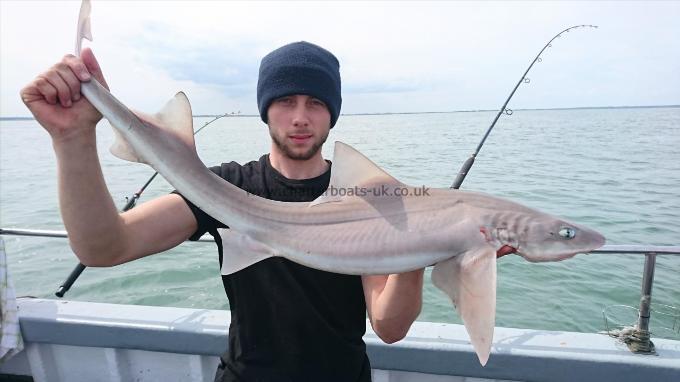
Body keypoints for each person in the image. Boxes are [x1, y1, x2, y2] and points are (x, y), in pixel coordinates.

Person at [20, 41, 424, 381]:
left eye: (315, 102)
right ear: (265, 109)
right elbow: (105, 248)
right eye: (285, 101)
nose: (300, 117)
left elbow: (389, 326)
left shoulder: (364, 199)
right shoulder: (225, 188)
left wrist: (419, 252)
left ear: (332, 112)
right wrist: (71, 138)